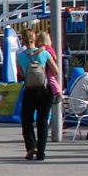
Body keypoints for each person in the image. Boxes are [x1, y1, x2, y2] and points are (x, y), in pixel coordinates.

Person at [16, 29, 59, 161]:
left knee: (26, 120)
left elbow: (21, 75)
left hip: (30, 90)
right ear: (35, 39)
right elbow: (56, 71)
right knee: (42, 121)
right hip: (45, 90)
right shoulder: (44, 53)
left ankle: (31, 147)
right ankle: (41, 152)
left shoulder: (20, 56)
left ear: (22, 41)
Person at [36, 31, 63, 100]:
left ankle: (58, 92)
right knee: (51, 79)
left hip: (48, 66)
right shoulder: (50, 48)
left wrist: (35, 52)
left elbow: (41, 49)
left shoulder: (45, 47)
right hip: (50, 64)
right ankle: (57, 92)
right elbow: (55, 56)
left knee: (51, 79)